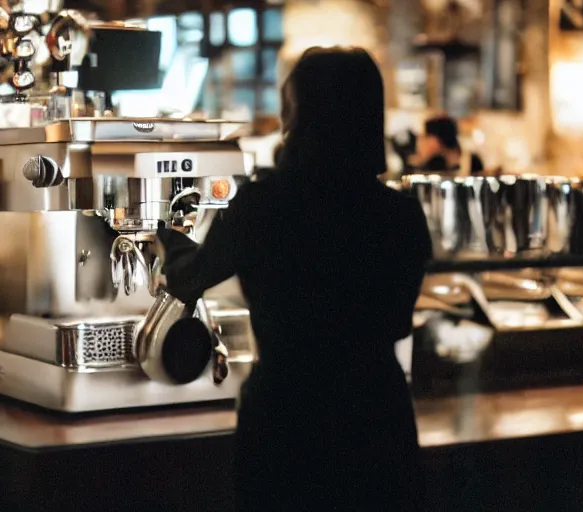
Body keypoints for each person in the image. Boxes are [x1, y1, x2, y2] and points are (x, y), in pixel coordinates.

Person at [157, 47, 432, 511]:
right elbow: (400, 324)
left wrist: (167, 231)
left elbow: (187, 279)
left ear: (296, 112)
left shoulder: (262, 206)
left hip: (288, 417)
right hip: (378, 416)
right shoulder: (402, 214)